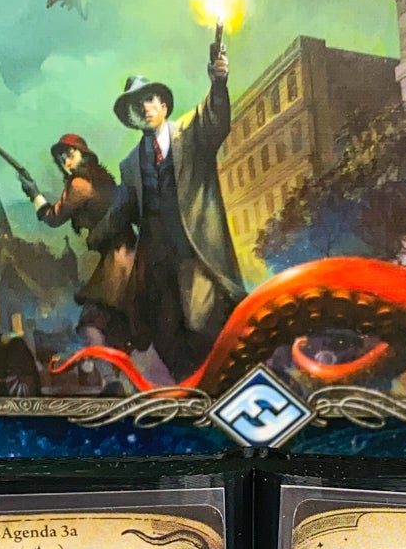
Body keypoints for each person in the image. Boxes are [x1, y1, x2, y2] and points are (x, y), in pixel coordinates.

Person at [89, 49, 244, 380]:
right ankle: (189, 391)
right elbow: (122, 209)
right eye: (136, 106)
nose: (145, 108)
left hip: (196, 255)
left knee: (203, 325)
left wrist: (218, 83)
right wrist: (95, 235)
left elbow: (216, 118)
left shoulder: (192, 131)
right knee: (165, 335)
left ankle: (214, 387)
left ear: (163, 104)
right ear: (131, 117)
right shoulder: (130, 164)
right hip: (157, 267)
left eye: (149, 100)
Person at [19, 134, 137, 352]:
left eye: (70, 155)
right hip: (126, 252)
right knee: (115, 325)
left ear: (84, 155)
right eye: (62, 159)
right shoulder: (101, 178)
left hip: (118, 259)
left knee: (92, 324)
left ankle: (111, 370)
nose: (66, 161)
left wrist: (34, 193)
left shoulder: (79, 183)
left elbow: (53, 217)